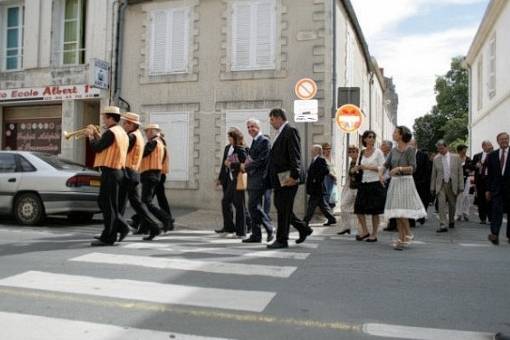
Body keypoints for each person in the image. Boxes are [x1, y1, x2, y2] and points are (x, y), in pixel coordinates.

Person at [265, 108, 312, 249]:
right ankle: (304, 229)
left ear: (279, 117)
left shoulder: (290, 131)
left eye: (272, 119)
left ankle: (282, 240)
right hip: (280, 178)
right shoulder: (281, 132)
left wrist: (294, 175)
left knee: (283, 209)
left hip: (288, 178)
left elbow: (295, 154)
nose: (271, 122)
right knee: (282, 207)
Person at [86, 106, 130, 246]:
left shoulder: (111, 132)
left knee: (107, 204)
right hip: (117, 171)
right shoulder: (121, 132)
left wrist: (91, 136)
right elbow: (107, 146)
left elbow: (97, 148)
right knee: (108, 204)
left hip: (110, 171)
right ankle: (116, 229)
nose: (103, 120)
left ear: (111, 118)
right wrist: (99, 136)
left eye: (105, 117)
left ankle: (110, 236)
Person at [118, 112, 161, 238]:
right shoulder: (138, 136)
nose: (123, 125)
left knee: (120, 203)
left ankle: (119, 229)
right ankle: (154, 227)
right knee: (137, 204)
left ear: (130, 124)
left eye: (124, 123)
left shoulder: (131, 137)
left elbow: (121, 151)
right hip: (134, 173)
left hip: (128, 172)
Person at [384, 126, 427, 250]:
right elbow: (386, 164)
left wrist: (399, 169)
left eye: (395, 132)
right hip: (395, 182)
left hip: (406, 181)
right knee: (397, 211)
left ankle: (406, 235)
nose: (393, 134)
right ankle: (402, 238)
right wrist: (381, 173)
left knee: (401, 210)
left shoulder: (410, 150)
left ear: (402, 135)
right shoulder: (393, 150)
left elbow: (413, 168)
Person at [242, 119, 274, 243]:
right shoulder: (254, 141)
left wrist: (247, 167)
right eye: (248, 127)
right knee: (253, 208)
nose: (250, 129)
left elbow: (262, 160)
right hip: (252, 178)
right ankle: (256, 235)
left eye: (253, 127)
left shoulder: (264, 141)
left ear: (259, 127)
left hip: (259, 179)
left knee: (253, 206)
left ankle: (269, 228)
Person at [139, 124, 173, 240]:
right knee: (146, 202)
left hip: (150, 174)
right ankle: (154, 226)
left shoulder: (153, 142)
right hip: (153, 174)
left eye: (147, 131)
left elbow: (142, 154)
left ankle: (165, 220)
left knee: (146, 202)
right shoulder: (159, 143)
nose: (146, 134)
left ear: (154, 131)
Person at [353, 130, 386, 242]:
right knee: (358, 209)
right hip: (363, 183)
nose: (372, 139)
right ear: (365, 139)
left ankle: (374, 234)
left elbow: (382, 168)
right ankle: (365, 231)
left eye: (373, 137)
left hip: (375, 183)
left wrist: (367, 167)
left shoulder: (378, 152)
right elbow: (358, 166)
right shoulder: (362, 152)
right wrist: (356, 169)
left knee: (374, 211)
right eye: (370, 137)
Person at [216, 128, 248, 238]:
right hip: (229, 180)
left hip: (238, 179)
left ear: (235, 138)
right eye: (228, 137)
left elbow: (245, 165)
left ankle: (241, 232)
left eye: (230, 137)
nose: (229, 139)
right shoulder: (229, 148)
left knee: (239, 206)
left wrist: (231, 164)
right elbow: (223, 164)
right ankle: (229, 228)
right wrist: (220, 178)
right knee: (226, 202)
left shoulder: (240, 149)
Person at [430, 140, 464, 232]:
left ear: (446, 147)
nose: (440, 150)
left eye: (442, 148)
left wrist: (461, 186)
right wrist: (432, 187)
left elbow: (460, 172)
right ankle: (443, 224)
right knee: (441, 204)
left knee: (452, 205)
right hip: (441, 185)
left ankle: (451, 220)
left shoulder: (456, 157)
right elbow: (434, 174)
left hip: (452, 183)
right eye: (438, 149)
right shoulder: (436, 159)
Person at [303, 145, 337, 227]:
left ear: (317, 151)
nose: (311, 151)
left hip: (317, 187)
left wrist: (316, 179)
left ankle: (305, 221)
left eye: (313, 150)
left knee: (311, 205)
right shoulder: (314, 160)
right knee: (323, 206)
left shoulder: (320, 159)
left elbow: (326, 170)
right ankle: (332, 219)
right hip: (315, 187)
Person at [486, 132, 510, 245]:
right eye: (501, 139)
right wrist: (488, 190)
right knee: (496, 211)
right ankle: (494, 234)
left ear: (508, 140)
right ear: (498, 141)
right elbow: (489, 175)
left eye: (506, 139)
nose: (504, 141)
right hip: (497, 190)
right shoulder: (492, 155)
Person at [337, 145, 359, 235]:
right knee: (343, 205)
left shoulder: (360, 162)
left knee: (360, 210)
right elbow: (349, 177)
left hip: (359, 188)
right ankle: (346, 227)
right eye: (350, 152)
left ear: (357, 152)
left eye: (354, 151)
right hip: (351, 188)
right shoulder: (351, 163)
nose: (352, 153)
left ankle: (362, 230)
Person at [409, 139, 432, 226]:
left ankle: (421, 216)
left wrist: (424, 181)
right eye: (409, 145)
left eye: (412, 145)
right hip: (410, 181)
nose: (411, 147)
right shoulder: (407, 155)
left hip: (421, 182)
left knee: (421, 200)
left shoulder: (423, 156)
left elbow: (427, 170)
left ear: (416, 146)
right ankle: (412, 219)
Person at [472, 140, 494, 224]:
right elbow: (472, 166)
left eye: (491, 145)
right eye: (488, 145)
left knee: (490, 198)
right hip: (480, 179)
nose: (491, 147)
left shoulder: (494, 155)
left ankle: (491, 217)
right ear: (483, 146)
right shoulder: (477, 156)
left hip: (490, 179)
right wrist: (476, 166)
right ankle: (482, 218)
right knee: (481, 199)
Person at [380, 140, 397, 232]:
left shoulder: (393, 156)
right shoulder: (382, 155)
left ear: (388, 147)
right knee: (388, 203)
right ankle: (391, 222)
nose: (381, 146)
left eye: (383, 145)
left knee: (392, 203)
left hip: (391, 181)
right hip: (384, 182)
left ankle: (395, 223)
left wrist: (385, 177)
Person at [455, 144, 474, 222]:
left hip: (467, 179)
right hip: (458, 179)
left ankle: (465, 213)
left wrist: (470, 170)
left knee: (466, 197)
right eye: (464, 149)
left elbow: (472, 167)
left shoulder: (468, 159)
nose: (465, 151)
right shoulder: (455, 158)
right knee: (459, 197)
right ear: (459, 150)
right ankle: (458, 214)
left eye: (466, 149)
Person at [322, 143, 338, 209]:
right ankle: (326, 209)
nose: (328, 150)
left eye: (329, 149)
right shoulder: (322, 159)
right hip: (326, 178)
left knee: (332, 194)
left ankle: (330, 209)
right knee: (327, 194)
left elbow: (333, 168)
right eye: (326, 149)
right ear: (323, 150)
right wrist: (333, 176)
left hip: (332, 179)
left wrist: (335, 177)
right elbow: (325, 170)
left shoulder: (332, 158)